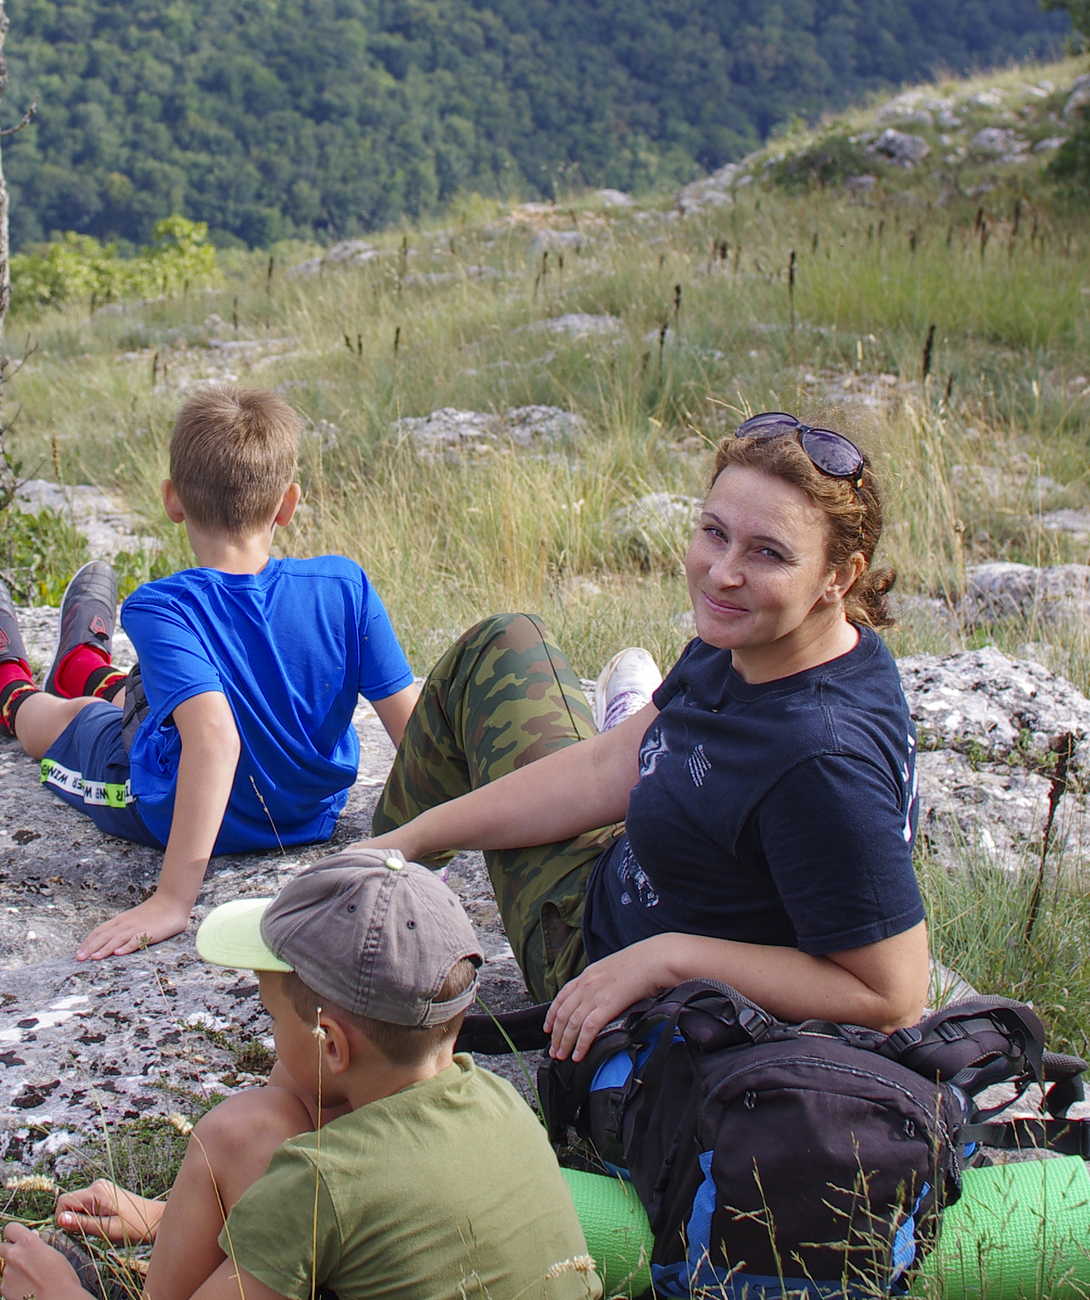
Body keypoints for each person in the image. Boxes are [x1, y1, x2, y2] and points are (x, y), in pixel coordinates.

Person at [0, 850, 602, 1300]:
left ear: (332, 1044)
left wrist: (59, 1298)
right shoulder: (493, 1100)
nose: (271, 1040)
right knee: (260, 1129)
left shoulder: (327, 1182)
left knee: (236, 1132)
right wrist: (166, 1219)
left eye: (272, 1018)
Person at [362, 412, 929, 1063]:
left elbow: (893, 995)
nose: (722, 574)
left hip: (600, 965)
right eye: (714, 534)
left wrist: (665, 960)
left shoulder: (821, 763)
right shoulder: (757, 645)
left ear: (841, 576)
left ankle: (363, 946)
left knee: (496, 662)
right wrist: (406, 842)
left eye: (767, 552)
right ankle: (370, 892)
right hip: (637, 866)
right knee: (505, 640)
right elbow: (608, 766)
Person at [0, 388, 419, 961]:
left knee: (74, 719)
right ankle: (86, 667)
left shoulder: (160, 605)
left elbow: (215, 737)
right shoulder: (345, 586)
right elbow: (413, 731)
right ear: (288, 503)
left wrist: (173, 900)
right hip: (310, 818)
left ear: (172, 500)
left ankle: (9, 690)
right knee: (173, 685)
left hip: (165, 803)